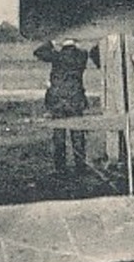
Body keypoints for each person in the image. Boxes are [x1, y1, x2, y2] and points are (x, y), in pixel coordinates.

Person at [35, 38, 99, 175]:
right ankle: (80, 166)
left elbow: (38, 52)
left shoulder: (56, 56)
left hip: (58, 100)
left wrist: (52, 42)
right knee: (78, 134)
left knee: (59, 135)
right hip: (76, 98)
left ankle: (60, 167)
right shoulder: (82, 54)